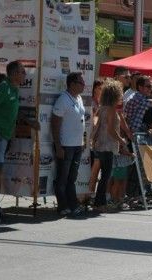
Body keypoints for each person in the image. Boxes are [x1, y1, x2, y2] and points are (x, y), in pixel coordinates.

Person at [0, 61, 39, 211]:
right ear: (14, 74)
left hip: (5, 135)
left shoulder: (14, 88)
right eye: (22, 72)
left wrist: (29, 121)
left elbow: (15, 109)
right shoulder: (4, 87)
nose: (25, 74)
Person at [51, 73, 86, 217]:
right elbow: (55, 123)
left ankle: (73, 204)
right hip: (66, 144)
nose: (84, 85)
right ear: (72, 84)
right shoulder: (63, 100)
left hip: (77, 144)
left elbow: (81, 120)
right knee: (63, 177)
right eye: (81, 82)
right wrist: (58, 146)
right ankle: (62, 206)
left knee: (72, 177)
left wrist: (83, 140)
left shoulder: (79, 98)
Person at [92, 79, 130, 212]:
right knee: (106, 177)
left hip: (100, 145)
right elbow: (111, 130)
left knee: (104, 176)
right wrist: (121, 141)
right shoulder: (112, 110)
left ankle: (99, 202)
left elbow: (96, 126)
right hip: (107, 145)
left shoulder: (101, 108)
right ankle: (99, 203)